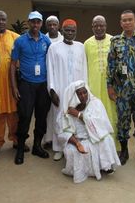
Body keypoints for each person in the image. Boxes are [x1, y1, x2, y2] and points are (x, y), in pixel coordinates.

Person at [107, 10, 135, 166]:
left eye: (129, 20)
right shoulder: (115, 41)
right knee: (123, 122)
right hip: (122, 91)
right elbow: (111, 65)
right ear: (120, 23)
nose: (127, 22)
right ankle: (124, 150)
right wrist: (109, 86)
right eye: (124, 20)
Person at [58, 81, 121, 183]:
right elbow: (63, 132)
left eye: (85, 92)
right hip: (79, 140)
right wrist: (77, 143)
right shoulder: (67, 111)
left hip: (95, 136)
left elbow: (101, 125)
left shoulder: (96, 103)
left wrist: (79, 115)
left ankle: (105, 166)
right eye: (80, 94)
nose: (83, 96)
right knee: (73, 150)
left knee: (107, 140)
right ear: (74, 95)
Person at [11, 11, 51, 165]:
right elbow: (13, 64)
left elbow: (51, 61)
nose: (35, 25)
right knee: (25, 117)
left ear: (41, 24)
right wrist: (14, 86)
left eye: (38, 22)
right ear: (28, 22)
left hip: (42, 84)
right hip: (26, 84)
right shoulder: (20, 41)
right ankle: (20, 148)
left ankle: (37, 146)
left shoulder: (46, 40)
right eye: (33, 22)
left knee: (41, 117)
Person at [0, 10, 26, 158]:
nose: (0, 22)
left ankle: (17, 140)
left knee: (14, 113)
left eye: (3, 20)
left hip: (12, 82)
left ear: (6, 20)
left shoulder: (15, 37)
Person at [46, 19, 87, 161]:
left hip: (76, 90)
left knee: (74, 117)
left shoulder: (81, 47)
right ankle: (58, 148)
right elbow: (50, 69)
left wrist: (84, 91)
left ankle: (74, 146)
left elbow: (85, 70)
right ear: (62, 31)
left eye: (72, 30)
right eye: (67, 30)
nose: (70, 33)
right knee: (59, 118)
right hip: (60, 89)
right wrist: (51, 90)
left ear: (76, 31)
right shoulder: (54, 47)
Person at [84, 15, 119, 150]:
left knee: (112, 114)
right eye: (96, 25)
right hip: (93, 86)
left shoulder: (114, 41)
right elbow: (84, 65)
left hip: (111, 86)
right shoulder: (87, 44)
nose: (99, 28)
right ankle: (98, 146)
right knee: (95, 115)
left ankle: (114, 147)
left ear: (106, 26)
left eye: (101, 25)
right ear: (92, 27)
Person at [43, 15, 64, 148]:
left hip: (61, 79)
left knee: (60, 111)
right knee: (48, 112)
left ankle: (61, 139)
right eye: (49, 24)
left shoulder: (64, 39)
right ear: (47, 26)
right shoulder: (43, 39)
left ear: (58, 25)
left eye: (54, 24)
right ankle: (48, 138)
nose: (52, 27)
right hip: (46, 79)